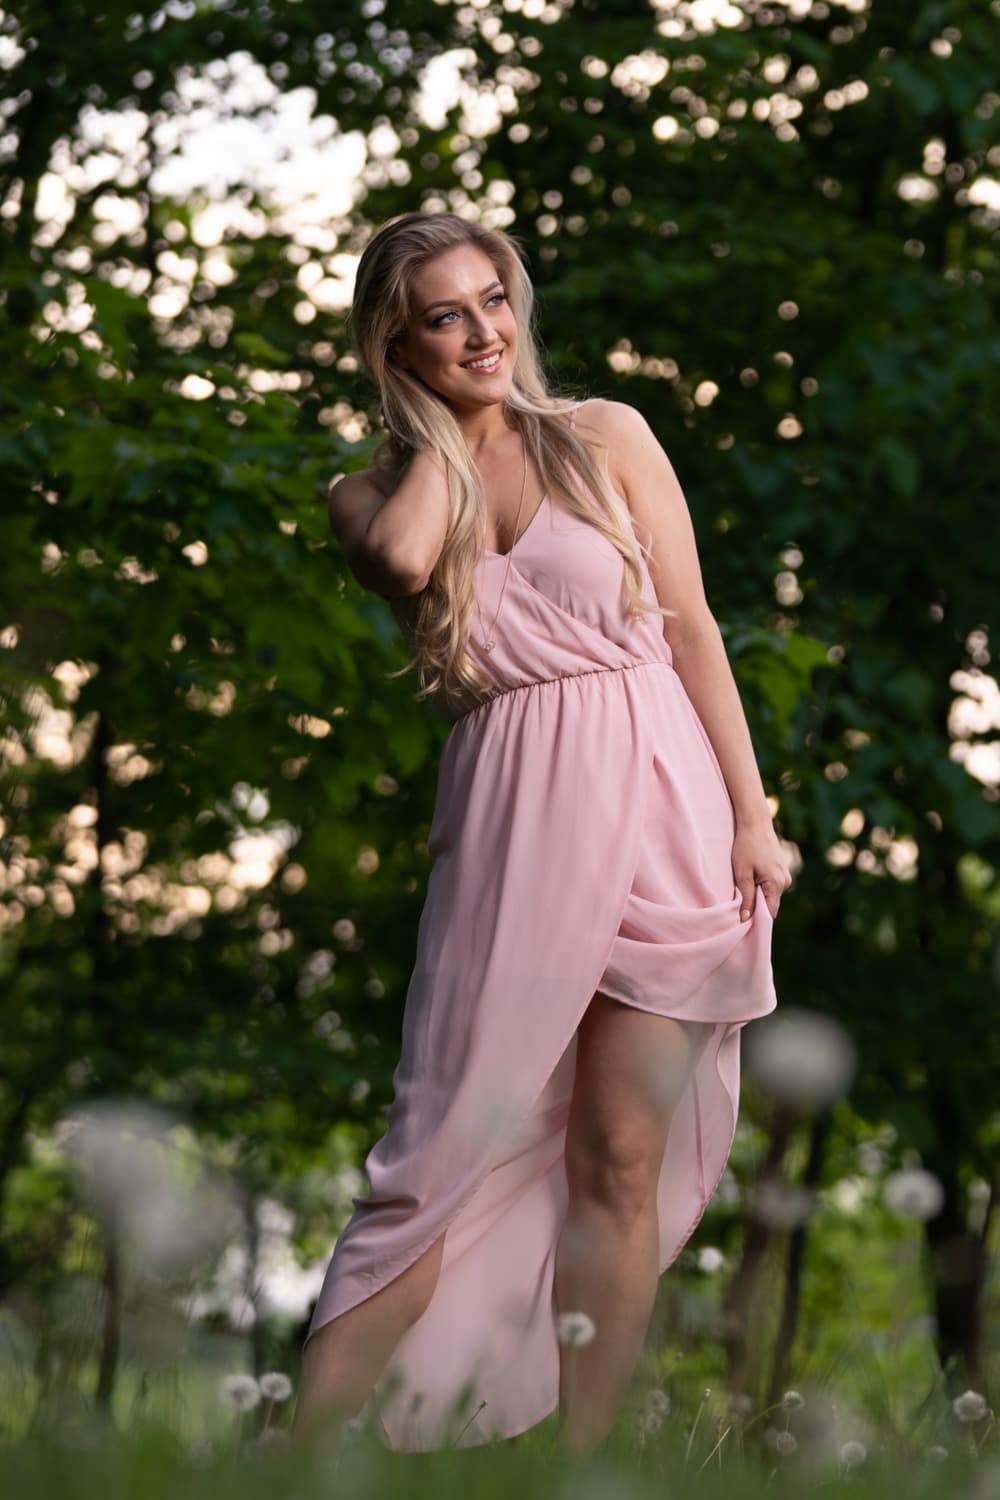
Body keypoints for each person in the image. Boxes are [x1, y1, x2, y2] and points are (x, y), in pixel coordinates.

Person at [292, 210, 789, 1455]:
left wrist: (752, 813)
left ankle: (580, 1467)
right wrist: (448, 432)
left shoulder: (605, 436)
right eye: (445, 315)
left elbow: (691, 629)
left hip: (665, 799)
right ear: (392, 343)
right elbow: (407, 560)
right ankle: (291, 1461)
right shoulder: (366, 491)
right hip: (515, 816)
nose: (484, 331)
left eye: (494, 299)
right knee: (436, 1152)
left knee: (620, 1154)